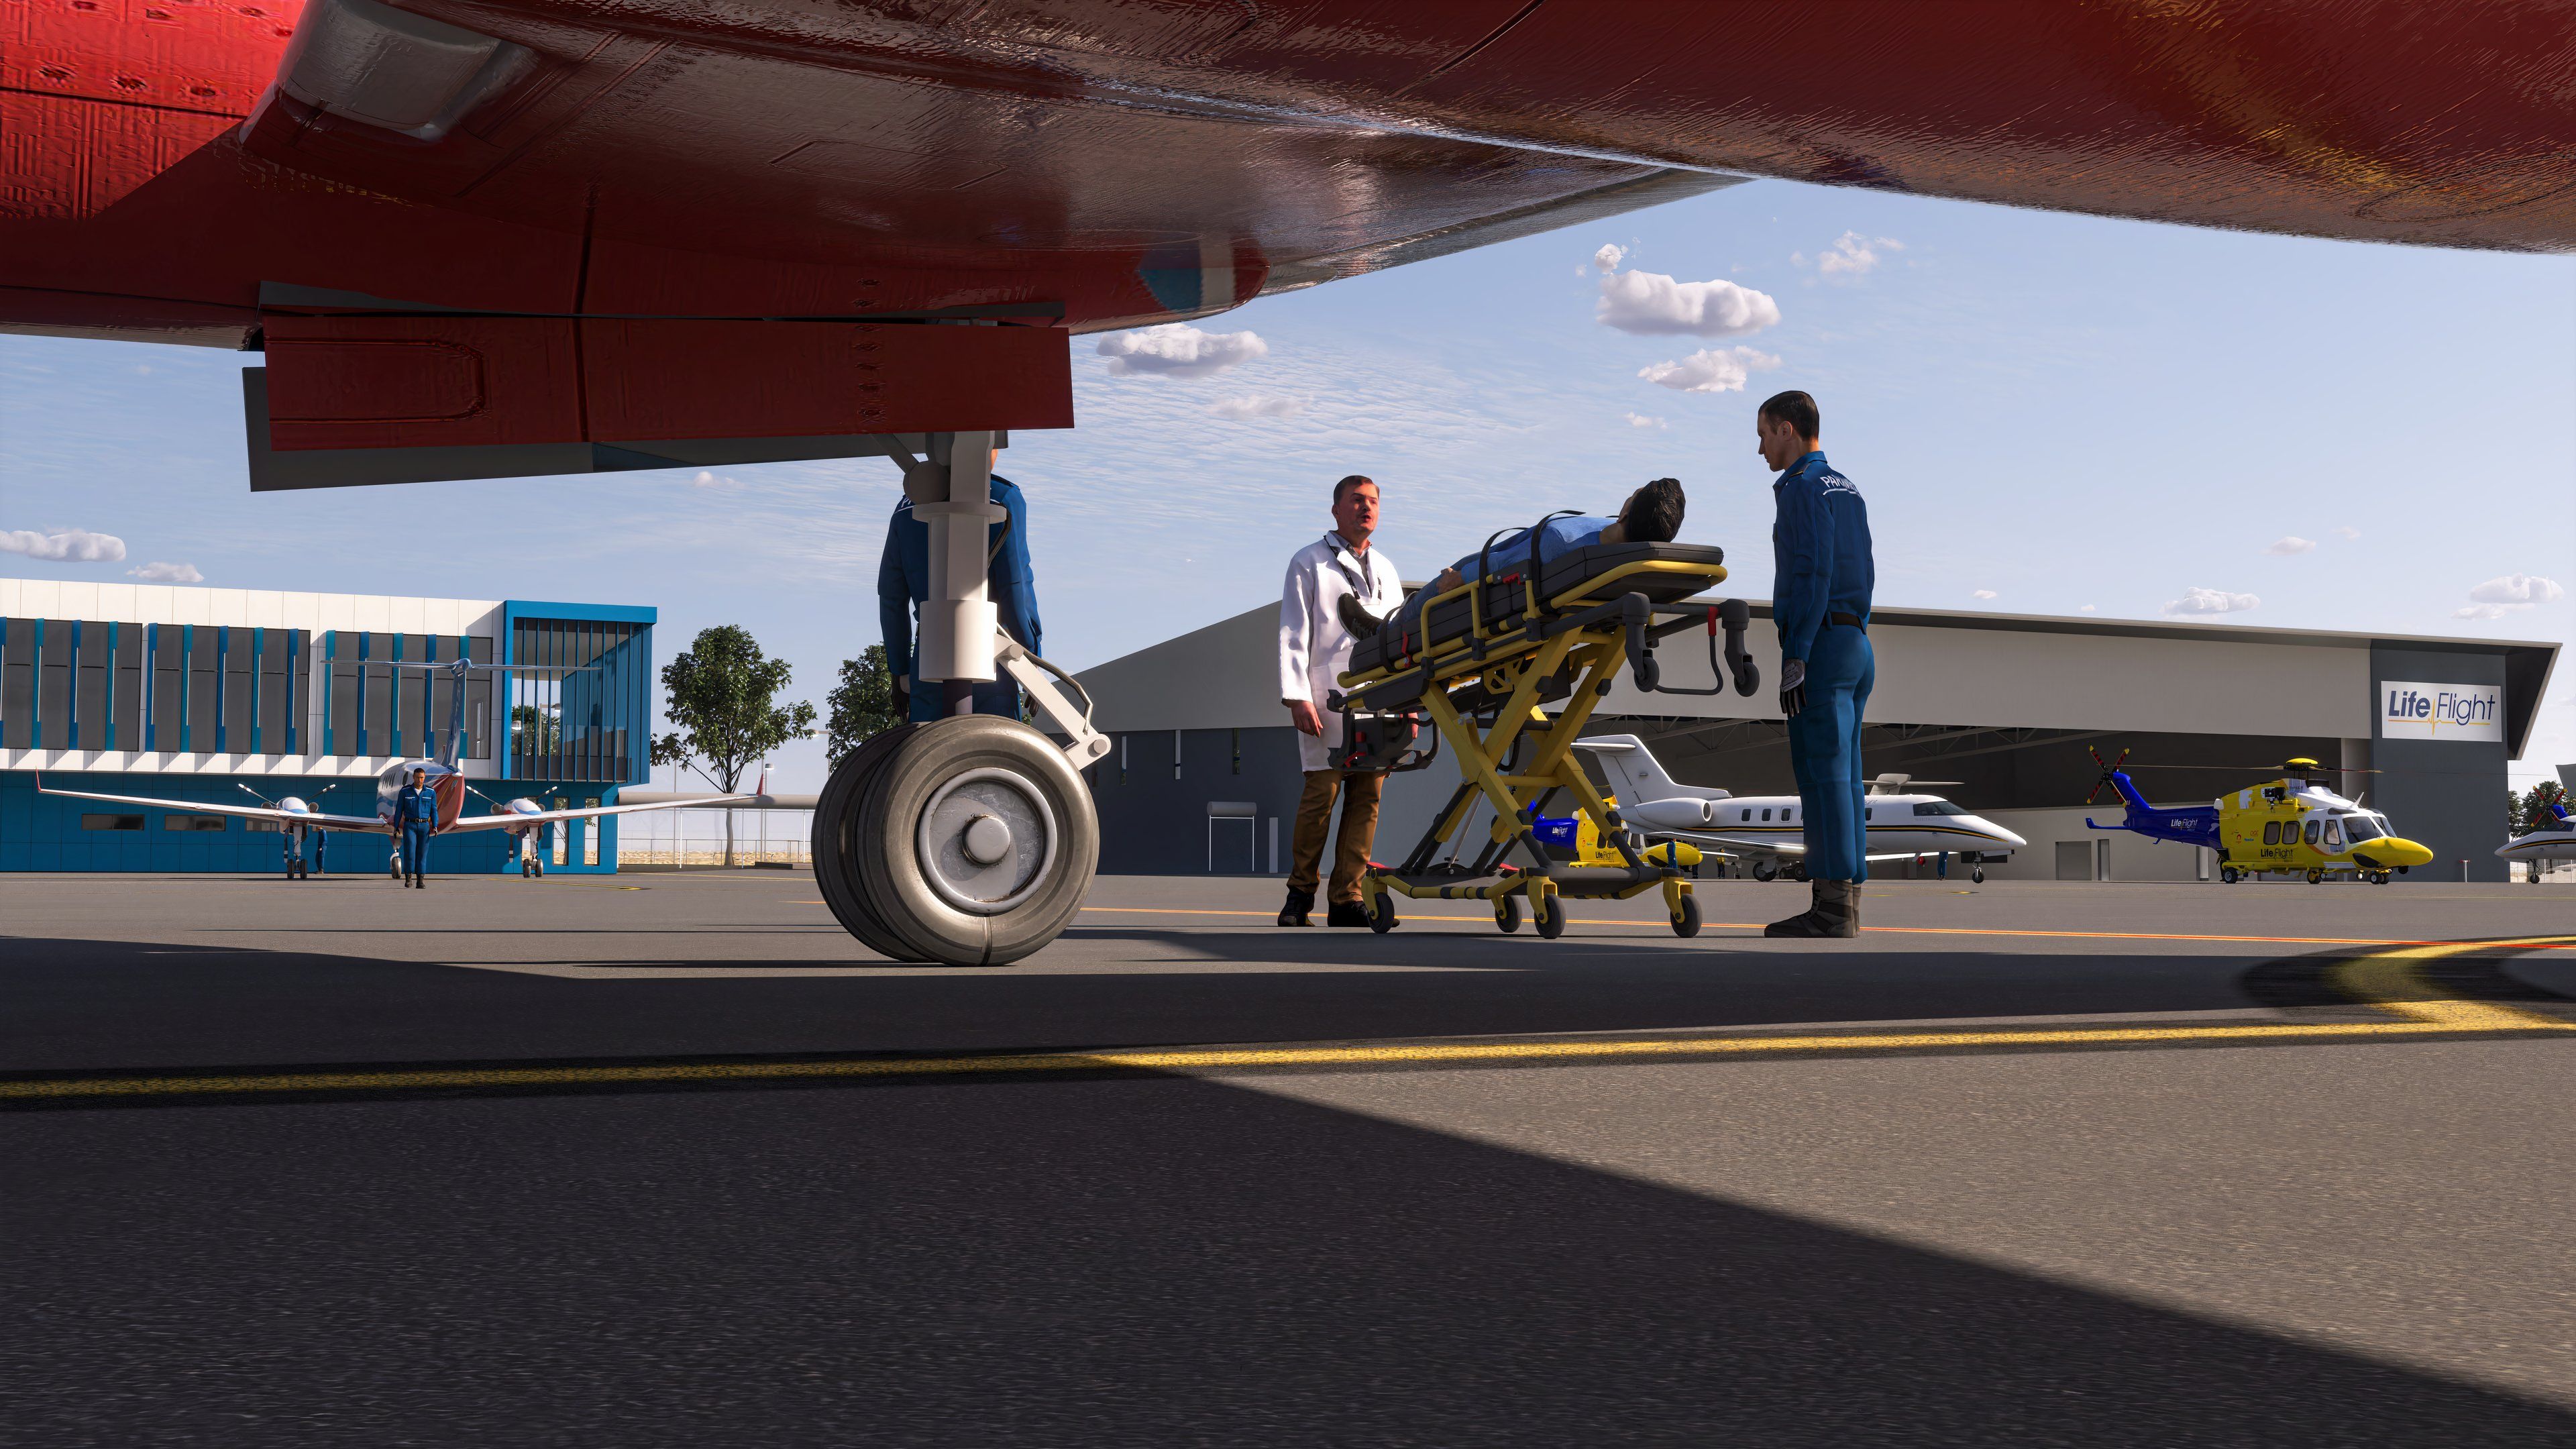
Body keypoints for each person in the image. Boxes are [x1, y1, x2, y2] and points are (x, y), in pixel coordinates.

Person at [1756, 390, 1875, 938]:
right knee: (1847, 780)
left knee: (1821, 777)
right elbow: (1864, 570)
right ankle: (1847, 905)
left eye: (1763, 435)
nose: (1760, 450)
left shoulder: (1801, 488)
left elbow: (1811, 572)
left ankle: (1829, 910)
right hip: (1856, 643)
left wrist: (1797, 653)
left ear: (1786, 429)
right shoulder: (1847, 487)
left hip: (1821, 646)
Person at [1278, 475, 1403, 927]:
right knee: (1321, 796)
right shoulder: (1309, 562)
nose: (1365, 509)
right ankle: (1299, 895)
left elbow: (1398, 639)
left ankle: (1347, 898)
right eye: (1356, 501)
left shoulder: (1387, 569)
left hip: (1379, 700)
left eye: (1373, 501)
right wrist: (1295, 696)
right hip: (1325, 697)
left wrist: (1406, 703)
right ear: (1335, 509)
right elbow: (1294, 630)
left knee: (1367, 798)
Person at [1338, 479, 1685, 642]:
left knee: (1426, 603)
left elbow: (1508, 565)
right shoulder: (1632, 561)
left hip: (1495, 579)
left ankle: (1381, 636)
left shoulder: (1561, 543)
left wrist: (1460, 579)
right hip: (1530, 567)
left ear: (1627, 513)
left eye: (1634, 494)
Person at [879, 451, 1040, 722]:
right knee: (993, 754)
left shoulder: (907, 506)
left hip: (929, 657)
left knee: (927, 755)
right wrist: (1031, 658)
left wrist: (899, 669)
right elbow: (1016, 586)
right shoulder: (1003, 497)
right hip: (992, 655)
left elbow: (891, 595)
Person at [394, 766, 438, 888]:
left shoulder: (431, 792)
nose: (420, 780)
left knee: (422, 854)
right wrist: (396, 826)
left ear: (425, 778)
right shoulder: (405, 791)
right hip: (410, 826)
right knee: (410, 853)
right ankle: (408, 879)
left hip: (424, 826)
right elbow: (399, 810)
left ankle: (420, 880)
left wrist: (435, 825)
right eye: (418, 777)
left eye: (422, 778)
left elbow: (434, 810)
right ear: (413, 777)